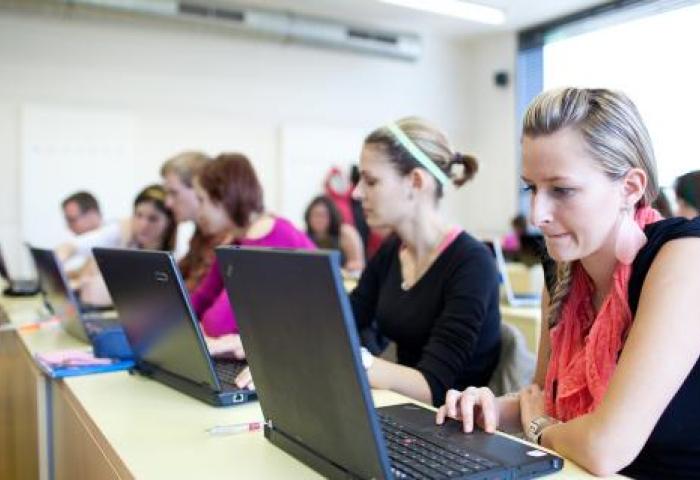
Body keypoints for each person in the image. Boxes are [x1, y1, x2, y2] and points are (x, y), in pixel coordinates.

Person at [437, 88, 700, 478]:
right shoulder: (561, 271)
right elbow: (543, 401)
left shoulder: (684, 257)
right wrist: (491, 407)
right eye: (531, 188)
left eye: (561, 190)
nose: (536, 214)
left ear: (630, 187)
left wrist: (540, 431)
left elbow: (604, 447)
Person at [350, 117, 502, 407]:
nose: (357, 192)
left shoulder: (472, 263)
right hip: (403, 413)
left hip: (454, 430)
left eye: (371, 181)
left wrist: (358, 360)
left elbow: (435, 387)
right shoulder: (391, 250)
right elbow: (345, 317)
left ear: (416, 182)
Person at [189, 154, 315, 379]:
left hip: (303, 364)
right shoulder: (237, 240)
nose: (198, 212)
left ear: (223, 197)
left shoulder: (270, 237)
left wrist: (195, 328)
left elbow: (217, 325)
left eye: (201, 200)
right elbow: (200, 300)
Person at [58, 184, 177, 305]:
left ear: (169, 222)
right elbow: (75, 246)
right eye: (138, 215)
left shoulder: (178, 256)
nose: (143, 225)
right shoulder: (123, 230)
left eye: (153, 219)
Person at [160, 151, 228, 291]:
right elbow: (175, 277)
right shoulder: (200, 234)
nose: (168, 203)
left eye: (174, 193)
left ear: (200, 190)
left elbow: (194, 293)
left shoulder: (225, 239)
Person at [304, 195, 365, 273]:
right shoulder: (305, 236)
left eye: (322, 215)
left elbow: (358, 263)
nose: (318, 220)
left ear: (331, 216)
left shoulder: (345, 233)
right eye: (315, 215)